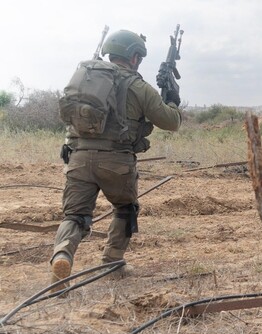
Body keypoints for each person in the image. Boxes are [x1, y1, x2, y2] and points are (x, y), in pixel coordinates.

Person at [50, 29, 182, 292]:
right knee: (125, 208)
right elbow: (171, 122)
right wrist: (173, 100)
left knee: (75, 216)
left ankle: (62, 255)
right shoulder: (138, 86)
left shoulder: (86, 79)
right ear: (133, 57)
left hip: (78, 157)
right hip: (117, 163)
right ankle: (112, 262)